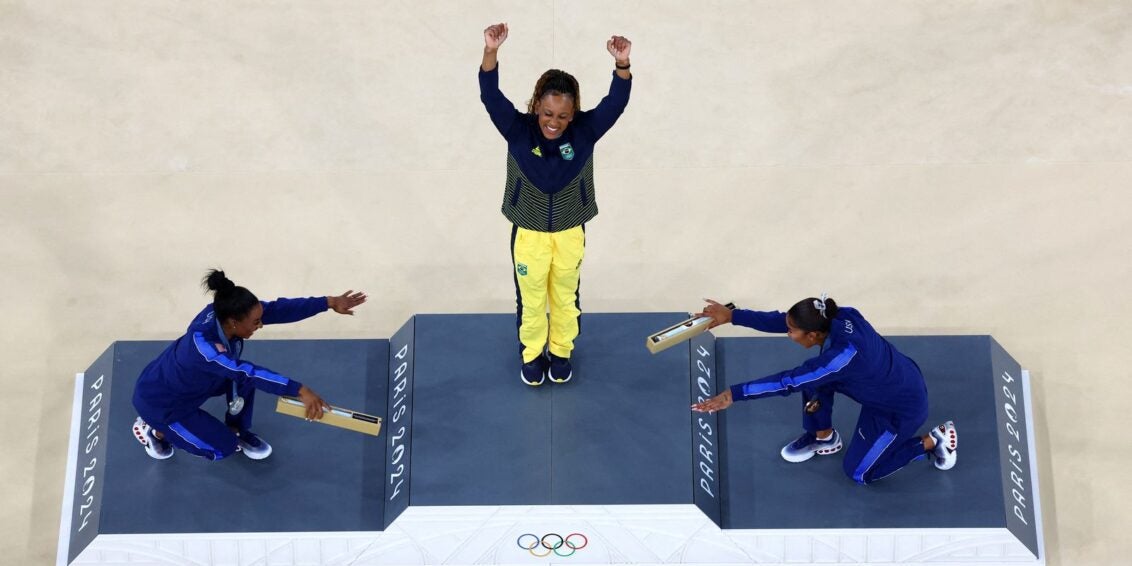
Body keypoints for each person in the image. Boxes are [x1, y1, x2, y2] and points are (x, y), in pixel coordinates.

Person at [479, 22, 632, 386]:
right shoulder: (517, 129)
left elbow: (616, 103)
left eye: (563, 116)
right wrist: (490, 52)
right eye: (548, 114)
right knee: (531, 301)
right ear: (536, 106)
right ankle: (532, 354)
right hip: (528, 233)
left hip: (569, 232)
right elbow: (490, 96)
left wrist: (622, 65)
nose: (554, 123)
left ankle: (561, 350)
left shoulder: (585, 130)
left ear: (574, 112)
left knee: (565, 297)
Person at [691, 297, 958, 484]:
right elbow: (783, 320)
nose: (788, 334)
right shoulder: (840, 315)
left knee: (860, 474)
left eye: (792, 332)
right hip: (895, 377)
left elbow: (788, 382)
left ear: (813, 335)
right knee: (816, 380)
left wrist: (733, 394)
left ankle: (932, 441)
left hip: (899, 409)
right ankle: (824, 436)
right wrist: (733, 316)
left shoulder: (840, 358)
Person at [130, 269, 367, 461]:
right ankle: (156, 430)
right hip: (163, 403)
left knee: (240, 385)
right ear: (233, 322)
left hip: (194, 383)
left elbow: (277, 309)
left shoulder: (225, 311)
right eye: (255, 322)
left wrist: (329, 302)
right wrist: (300, 390)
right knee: (222, 449)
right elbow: (248, 373)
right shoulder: (204, 348)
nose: (260, 325)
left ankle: (237, 429)